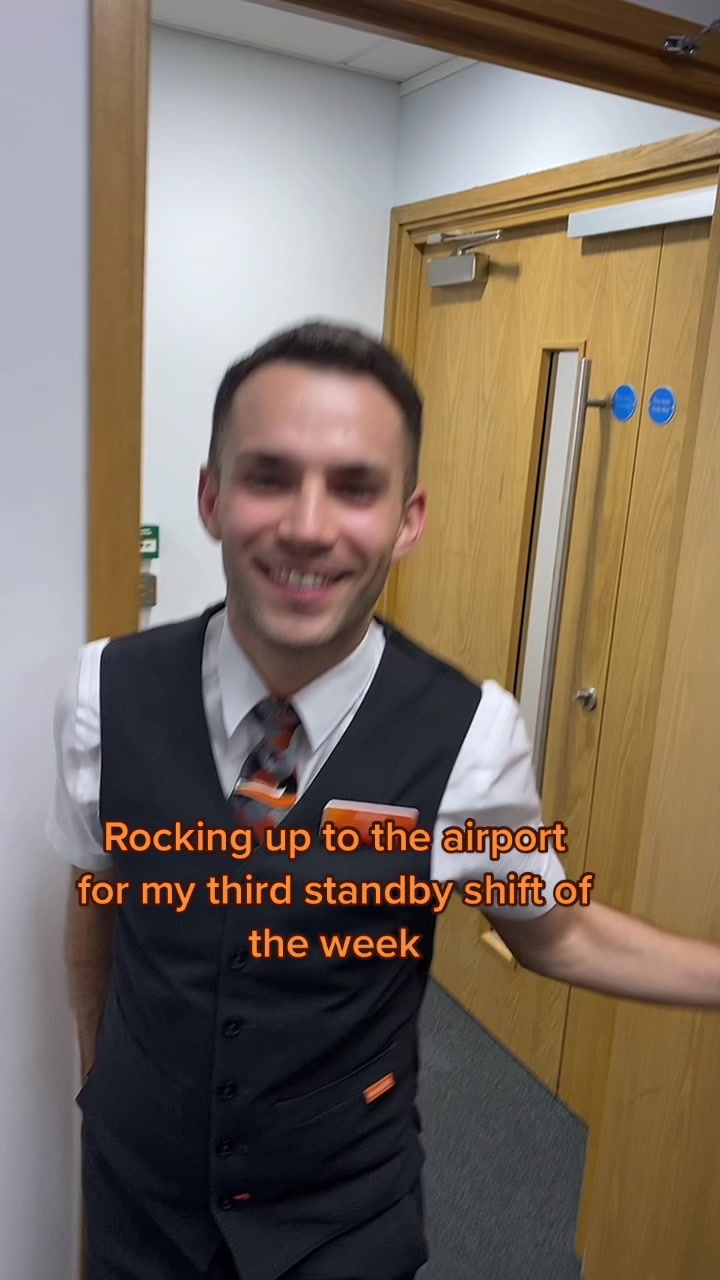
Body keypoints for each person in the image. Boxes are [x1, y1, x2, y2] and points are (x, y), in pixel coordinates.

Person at [49, 320, 720, 1280]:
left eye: (355, 487)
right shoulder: (102, 693)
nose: (308, 525)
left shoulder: (471, 737)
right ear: (212, 498)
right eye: (269, 476)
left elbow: (558, 935)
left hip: (342, 1222)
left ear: (408, 520)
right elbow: (98, 897)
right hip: (138, 1203)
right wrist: (102, 1084)